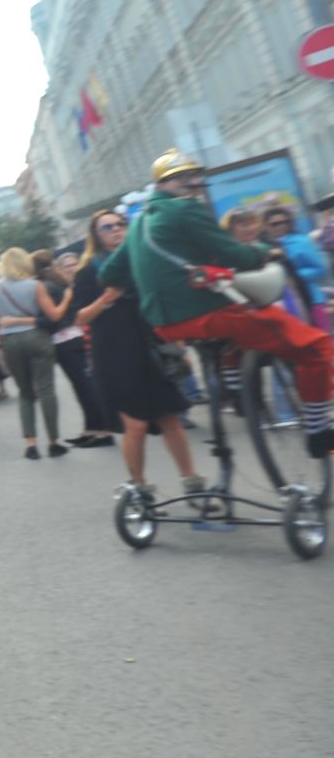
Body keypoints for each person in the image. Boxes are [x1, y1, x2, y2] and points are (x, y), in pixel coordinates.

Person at [101, 150, 333, 459]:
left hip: (165, 324)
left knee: (245, 328)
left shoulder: (140, 221)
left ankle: (233, 378)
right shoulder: (185, 210)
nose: (193, 183)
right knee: (316, 348)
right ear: (165, 184)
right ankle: (319, 429)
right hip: (205, 314)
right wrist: (266, 252)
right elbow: (231, 253)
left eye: (194, 176)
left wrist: (151, 280)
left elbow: (109, 274)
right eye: (184, 178)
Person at [73, 209, 204, 498]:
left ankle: (191, 480)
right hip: (114, 355)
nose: (116, 230)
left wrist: (178, 343)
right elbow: (80, 317)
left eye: (120, 224)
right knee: (136, 424)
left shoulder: (140, 261)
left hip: (151, 347)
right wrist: (109, 297)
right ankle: (140, 486)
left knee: (170, 417)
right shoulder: (89, 270)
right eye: (108, 227)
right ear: (96, 235)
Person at [0, 249, 70, 459]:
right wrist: (67, 298)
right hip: (37, 337)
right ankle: (53, 442)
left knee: (25, 393)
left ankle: (31, 444)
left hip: (11, 342)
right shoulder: (36, 286)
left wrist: (1, 345)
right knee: (46, 390)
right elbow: (53, 315)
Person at [42, 249, 116, 448]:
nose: (71, 269)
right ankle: (92, 429)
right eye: (66, 266)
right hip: (71, 336)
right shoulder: (62, 285)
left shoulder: (59, 286)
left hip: (71, 337)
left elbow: (62, 315)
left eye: (73, 265)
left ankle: (103, 431)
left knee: (86, 386)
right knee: (82, 386)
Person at [263, 204, 330, 331]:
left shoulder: (302, 241)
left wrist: (296, 275)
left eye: (284, 222)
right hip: (282, 304)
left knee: (322, 339)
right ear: (266, 226)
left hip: (311, 299)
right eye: (274, 224)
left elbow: (321, 268)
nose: (280, 226)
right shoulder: (264, 246)